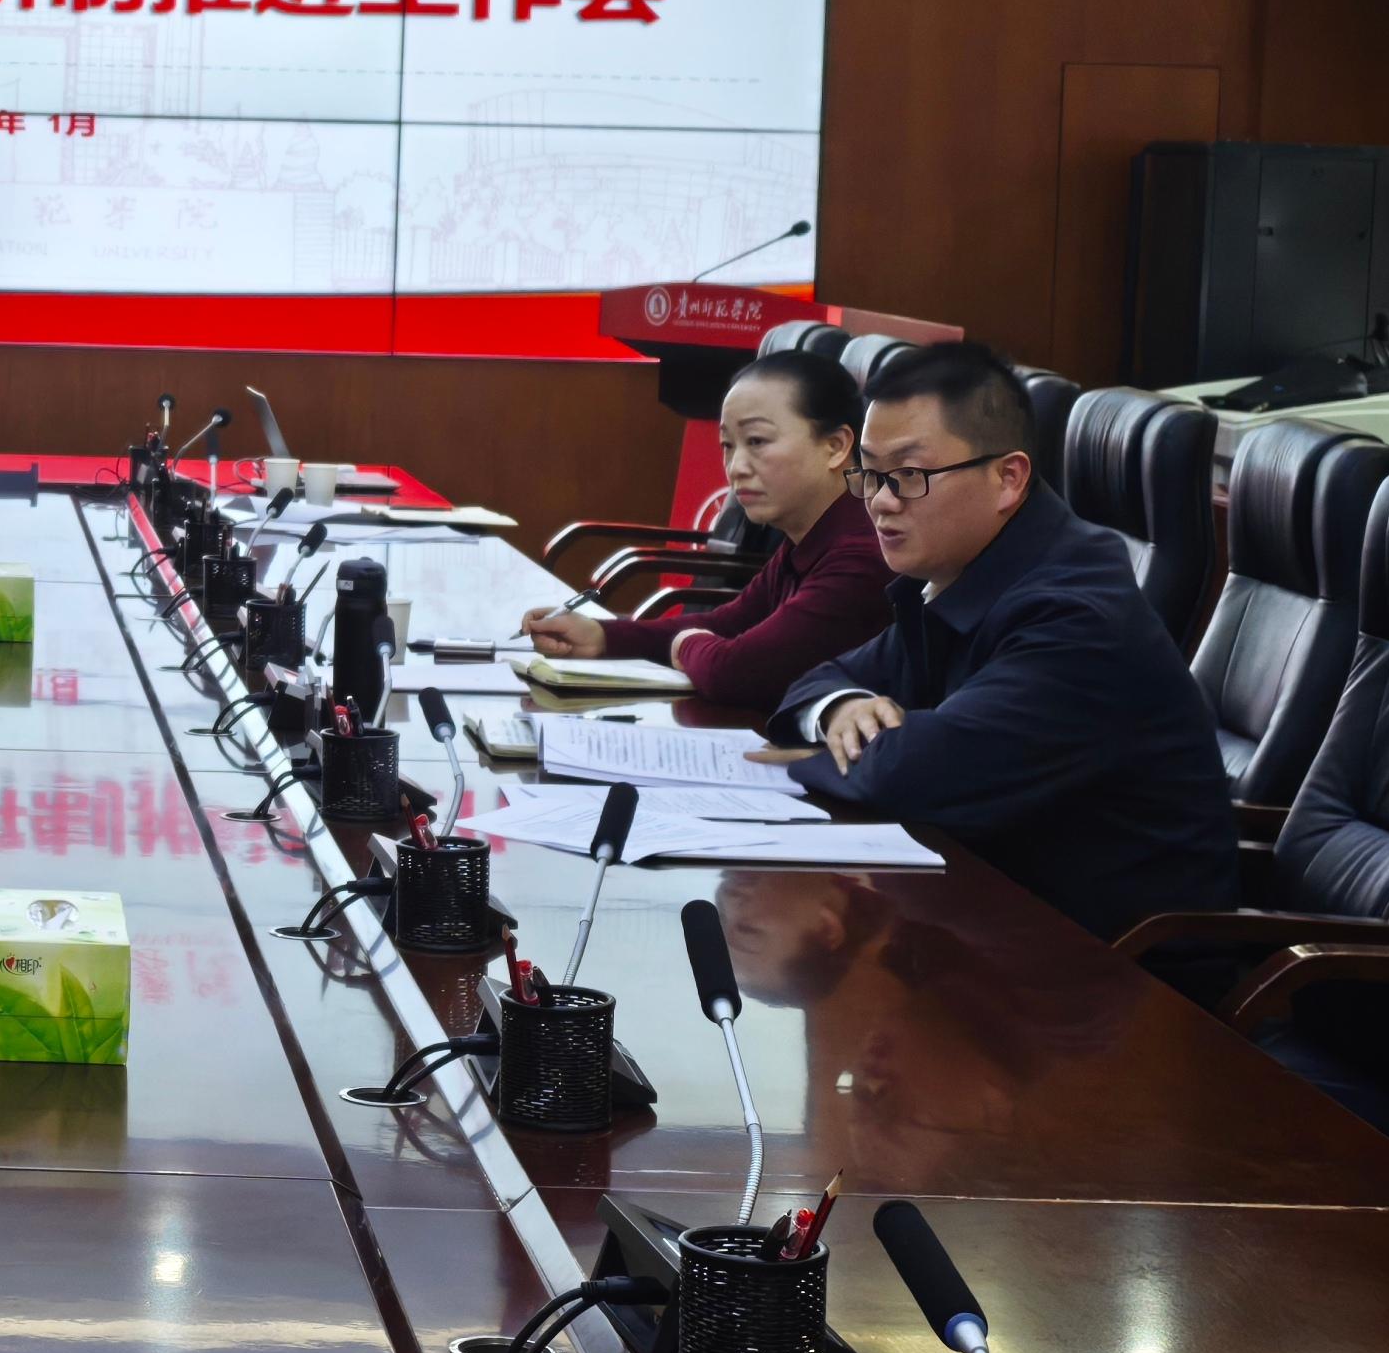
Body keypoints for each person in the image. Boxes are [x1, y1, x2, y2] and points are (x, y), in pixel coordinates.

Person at [771, 341, 1236, 939]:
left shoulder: (1076, 622)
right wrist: (841, 709)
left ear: (1007, 479)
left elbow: (912, 775)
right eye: (871, 475)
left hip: (1121, 968)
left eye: (908, 475)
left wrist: (806, 753)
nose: (881, 502)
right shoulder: (962, 574)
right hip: (998, 923)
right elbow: (817, 684)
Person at [520, 346, 889, 718]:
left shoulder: (861, 556)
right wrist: (602, 635)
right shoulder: (810, 537)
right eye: (728, 445)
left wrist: (687, 644)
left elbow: (735, 672)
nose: (736, 467)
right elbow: (726, 623)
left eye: (757, 441)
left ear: (835, 446)